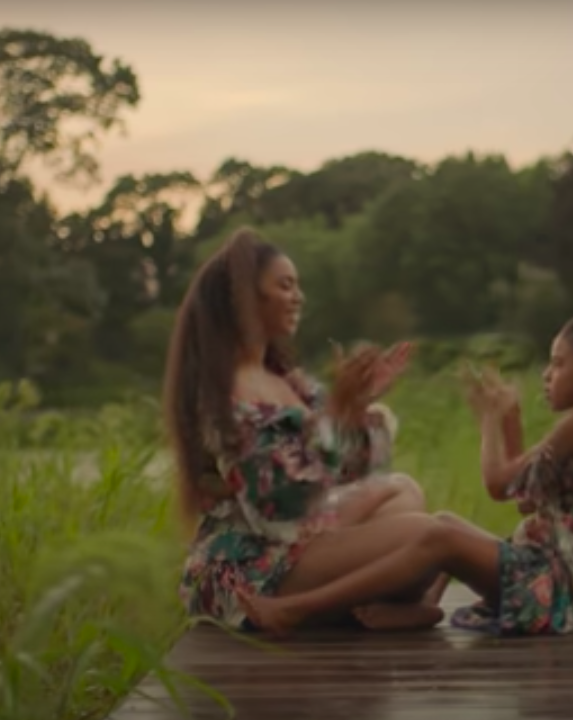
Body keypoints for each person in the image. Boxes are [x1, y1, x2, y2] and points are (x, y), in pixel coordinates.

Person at [239, 265, 573, 637]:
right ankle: (425, 608)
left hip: (554, 590)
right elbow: (528, 499)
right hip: (552, 578)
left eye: (557, 363)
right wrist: (512, 425)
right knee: (446, 523)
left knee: (440, 537)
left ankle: (295, 609)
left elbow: (498, 485)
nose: (547, 375)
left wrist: (490, 422)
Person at [165, 227, 446, 633]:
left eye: (298, 286)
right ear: (245, 299)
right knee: (425, 535)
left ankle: (375, 604)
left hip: (297, 538)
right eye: (285, 285)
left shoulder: (288, 381)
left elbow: (354, 471)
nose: (299, 297)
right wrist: (338, 413)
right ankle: (347, 603)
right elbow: (278, 507)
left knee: (404, 491)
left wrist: (357, 408)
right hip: (250, 566)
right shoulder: (223, 392)